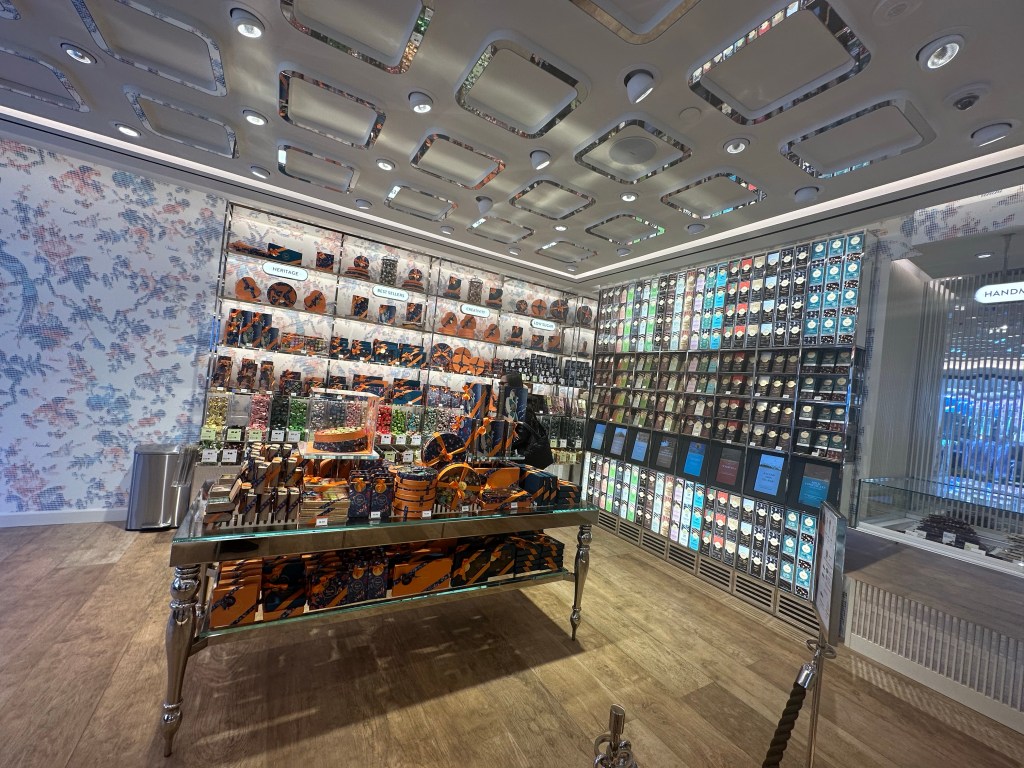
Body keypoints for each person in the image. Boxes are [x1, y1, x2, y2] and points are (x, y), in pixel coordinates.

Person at [499, 372, 554, 469]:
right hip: (514, 458)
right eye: (500, 383)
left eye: (503, 384)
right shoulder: (509, 404)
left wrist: (502, 443)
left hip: (522, 459)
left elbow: (521, 436)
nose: (500, 386)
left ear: (513, 385)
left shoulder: (522, 407)